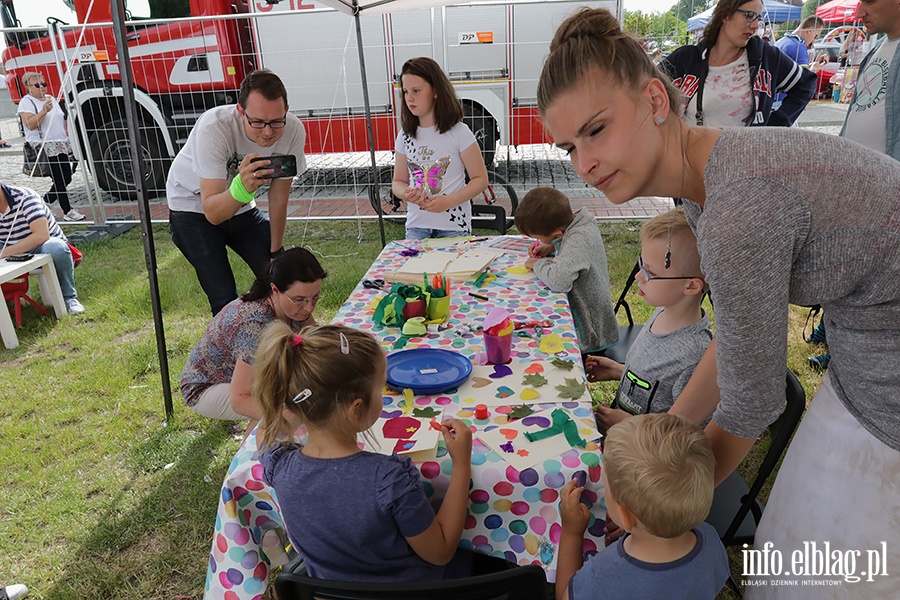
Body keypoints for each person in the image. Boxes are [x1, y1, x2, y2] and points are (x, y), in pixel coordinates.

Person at [537, 8, 900, 596]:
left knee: (831, 578)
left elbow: (750, 405)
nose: (584, 164)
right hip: (864, 346)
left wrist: (651, 505)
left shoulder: (735, 211)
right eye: (568, 146)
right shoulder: (708, 176)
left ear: (656, 99)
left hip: (888, 379)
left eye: (596, 130)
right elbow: (737, 343)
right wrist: (660, 432)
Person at [256, 323, 474, 582]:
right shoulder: (390, 479)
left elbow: (267, 428)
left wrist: (304, 404)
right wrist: (461, 463)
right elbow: (441, 552)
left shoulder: (279, 464)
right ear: (356, 408)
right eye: (380, 388)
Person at [166, 69, 307, 315]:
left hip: (242, 207)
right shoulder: (214, 127)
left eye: (276, 122)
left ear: (286, 110)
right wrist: (242, 188)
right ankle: (234, 351)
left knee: (282, 279)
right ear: (240, 111)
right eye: (258, 122)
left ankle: (300, 343)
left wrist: (275, 251)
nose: (268, 132)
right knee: (224, 298)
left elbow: (279, 195)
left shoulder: (294, 130)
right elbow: (213, 212)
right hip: (192, 206)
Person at [556, 413, 729, 600]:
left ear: (625, 516)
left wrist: (572, 533)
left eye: (606, 485)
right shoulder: (709, 538)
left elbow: (564, 596)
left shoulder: (603, 575)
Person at [585, 209, 711, 434]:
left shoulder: (696, 359)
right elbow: (657, 385)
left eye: (650, 272)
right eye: (641, 264)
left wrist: (631, 426)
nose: (638, 276)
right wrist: (619, 371)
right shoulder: (662, 313)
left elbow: (686, 436)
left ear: (691, 286)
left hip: (642, 459)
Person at [180, 247, 325, 423]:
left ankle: (258, 447)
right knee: (287, 408)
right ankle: (257, 450)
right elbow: (241, 400)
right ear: (275, 289)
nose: (309, 308)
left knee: (296, 398)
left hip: (242, 379)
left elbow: (315, 346)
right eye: (300, 299)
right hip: (206, 388)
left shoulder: (289, 305)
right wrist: (294, 420)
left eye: (315, 297)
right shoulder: (255, 326)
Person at [660, 0, 817, 128]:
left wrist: (779, 120)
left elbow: (807, 83)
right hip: (690, 161)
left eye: (758, 18)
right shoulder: (686, 58)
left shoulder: (766, 57)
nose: (755, 25)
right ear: (726, 15)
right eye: (749, 16)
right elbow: (645, 87)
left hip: (742, 162)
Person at [391, 57, 488, 240]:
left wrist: (449, 202)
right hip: (416, 227)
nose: (409, 97)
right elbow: (398, 181)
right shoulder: (405, 135)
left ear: (435, 91)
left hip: (454, 227)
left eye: (416, 90)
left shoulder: (459, 132)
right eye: (405, 91)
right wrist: (406, 193)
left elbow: (481, 179)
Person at [515, 187, 618, 355]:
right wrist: (550, 246)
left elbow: (559, 281)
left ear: (556, 233)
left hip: (590, 332)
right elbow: (574, 253)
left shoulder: (578, 239)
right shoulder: (579, 223)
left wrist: (537, 265)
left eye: (539, 237)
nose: (538, 241)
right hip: (590, 320)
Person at [0, 182, 84, 314]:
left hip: (42, 245)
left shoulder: (25, 197)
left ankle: (69, 297)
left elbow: (41, 235)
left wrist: (3, 253)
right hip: (8, 244)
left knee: (56, 247)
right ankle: (5, 299)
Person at [17, 72, 84, 222]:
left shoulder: (51, 98)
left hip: (60, 143)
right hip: (44, 145)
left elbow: (60, 119)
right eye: (37, 85)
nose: (42, 87)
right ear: (28, 87)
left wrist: (67, 135)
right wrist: (43, 111)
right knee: (59, 178)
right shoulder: (26, 102)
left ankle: (45, 201)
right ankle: (67, 211)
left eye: (44, 84)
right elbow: (30, 124)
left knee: (67, 175)